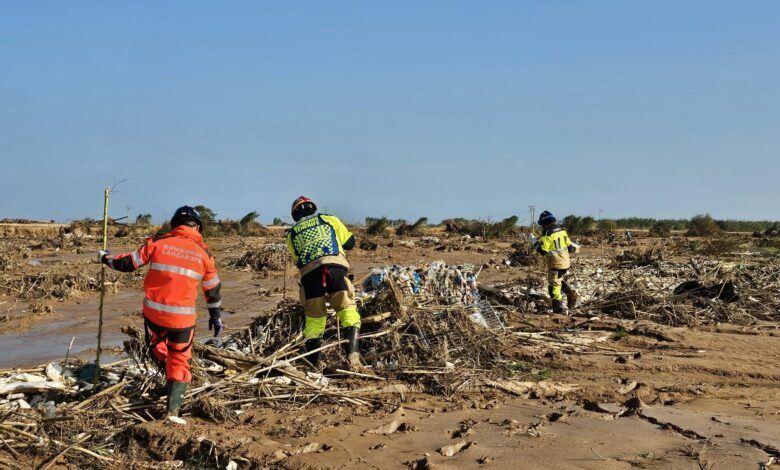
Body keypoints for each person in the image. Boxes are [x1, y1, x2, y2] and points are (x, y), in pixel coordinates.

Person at [99, 206, 223, 417]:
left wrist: (105, 258)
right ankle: (172, 410)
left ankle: (168, 374)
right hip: (183, 321)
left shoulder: (157, 243)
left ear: (174, 225)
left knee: (157, 346)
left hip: (154, 316)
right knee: (180, 359)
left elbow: (128, 263)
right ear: (198, 228)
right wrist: (215, 316)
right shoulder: (205, 255)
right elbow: (212, 290)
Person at [285, 196, 361, 369]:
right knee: (347, 310)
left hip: (310, 276)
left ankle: (314, 366)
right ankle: (353, 361)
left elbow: (298, 261)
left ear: (295, 215)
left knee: (314, 320)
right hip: (335, 269)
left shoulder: (291, 234)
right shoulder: (329, 219)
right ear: (313, 208)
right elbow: (350, 243)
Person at [528, 211, 578, 313]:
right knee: (557, 280)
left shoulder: (547, 233)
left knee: (553, 287)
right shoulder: (562, 231)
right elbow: (570, 247)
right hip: (565, 263)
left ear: (544, 223)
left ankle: (558, 309)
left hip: (556, 263)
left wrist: (534, 242)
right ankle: (570, 292)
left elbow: (543, 251)